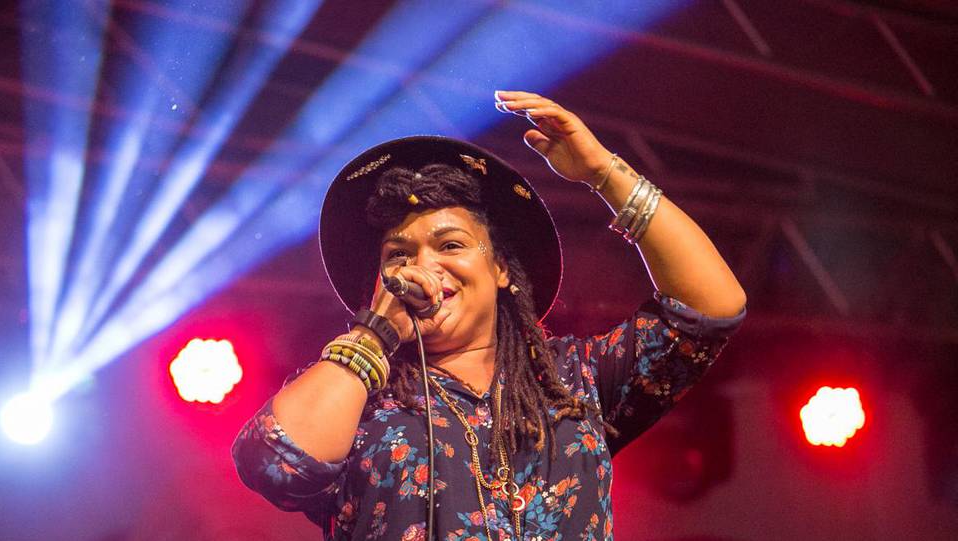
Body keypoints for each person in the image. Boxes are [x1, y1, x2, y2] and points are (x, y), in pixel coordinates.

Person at [232, 91, 747, 540]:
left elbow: (709, 309)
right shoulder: (357, 394)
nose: (422, 267)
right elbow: (274, 465)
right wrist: (376, 333)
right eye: (399, 254)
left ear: (500, 268)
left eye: (450, 245)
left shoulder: (572, 380)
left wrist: (604, 174)